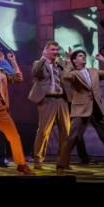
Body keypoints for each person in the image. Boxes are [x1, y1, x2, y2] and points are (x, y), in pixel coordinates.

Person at [56, 49, 104, 176]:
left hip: (97, 109)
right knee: (72, 138)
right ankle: (60, 167)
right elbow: (66, 76)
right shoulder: (74, 73)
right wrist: (68, 62)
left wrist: (103, 60)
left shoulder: (94, 71)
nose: (84, 57)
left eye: (84, 55)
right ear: (75, 61)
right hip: (81, 110)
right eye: (80, 56)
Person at [29, 41, 73, 170]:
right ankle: (38, 160)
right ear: (47, 51)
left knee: (65, 132)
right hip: (47, 100)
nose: (55, 52)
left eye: (56, 50)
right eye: (52, 50)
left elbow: (70, 72)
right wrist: (43, 58)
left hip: (62, 100)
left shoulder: (60, 62)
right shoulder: (39, 63)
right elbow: (34, 73)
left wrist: (69, 59)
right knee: (43, 131)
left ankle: (63, 162)